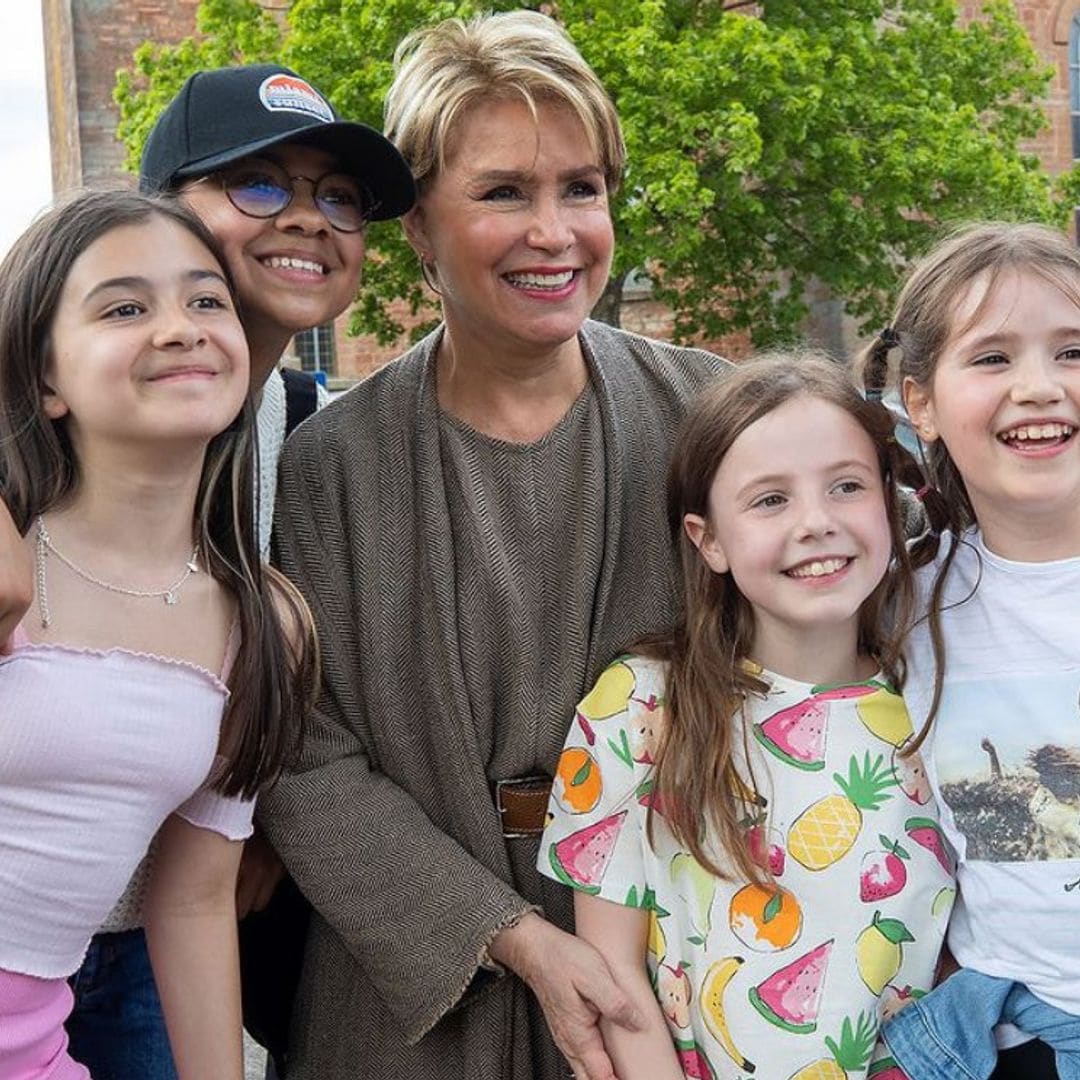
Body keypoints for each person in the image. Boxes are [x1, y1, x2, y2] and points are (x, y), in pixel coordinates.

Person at [257, 11, 731, 1080]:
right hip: (411, 996)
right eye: (504, 192)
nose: (556, 232)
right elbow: (302, 754)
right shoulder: (328, 467)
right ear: (418, 224)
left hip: (671, 966)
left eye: (582, 188)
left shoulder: (710, 413)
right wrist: (511, 935)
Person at [49, 63, 416, 1080]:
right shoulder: (35, 428)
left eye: (337, 197)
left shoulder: (302, 425)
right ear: (158, 212)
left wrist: (253, 817)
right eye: (258, 183)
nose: (308, 218)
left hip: (150, 937)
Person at [538, 352, 954, 1079]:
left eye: (847, 486)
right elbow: (615, 978)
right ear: (709, 540)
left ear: (889, 501)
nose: (816, 523)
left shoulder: (937, 693)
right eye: (770, 500)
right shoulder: (638, 707)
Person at [0, 189, 315, 1079]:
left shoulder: (263, 625)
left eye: (206, 300)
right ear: (46, 379)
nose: (181, 328)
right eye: (126, 307)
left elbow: (194, 898)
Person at [857, 222, 1080, 1080]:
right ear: (922, 403)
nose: (1039, 388)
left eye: (1071, 351)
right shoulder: (898, 602)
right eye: (993, 360)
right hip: (1006, 1041)